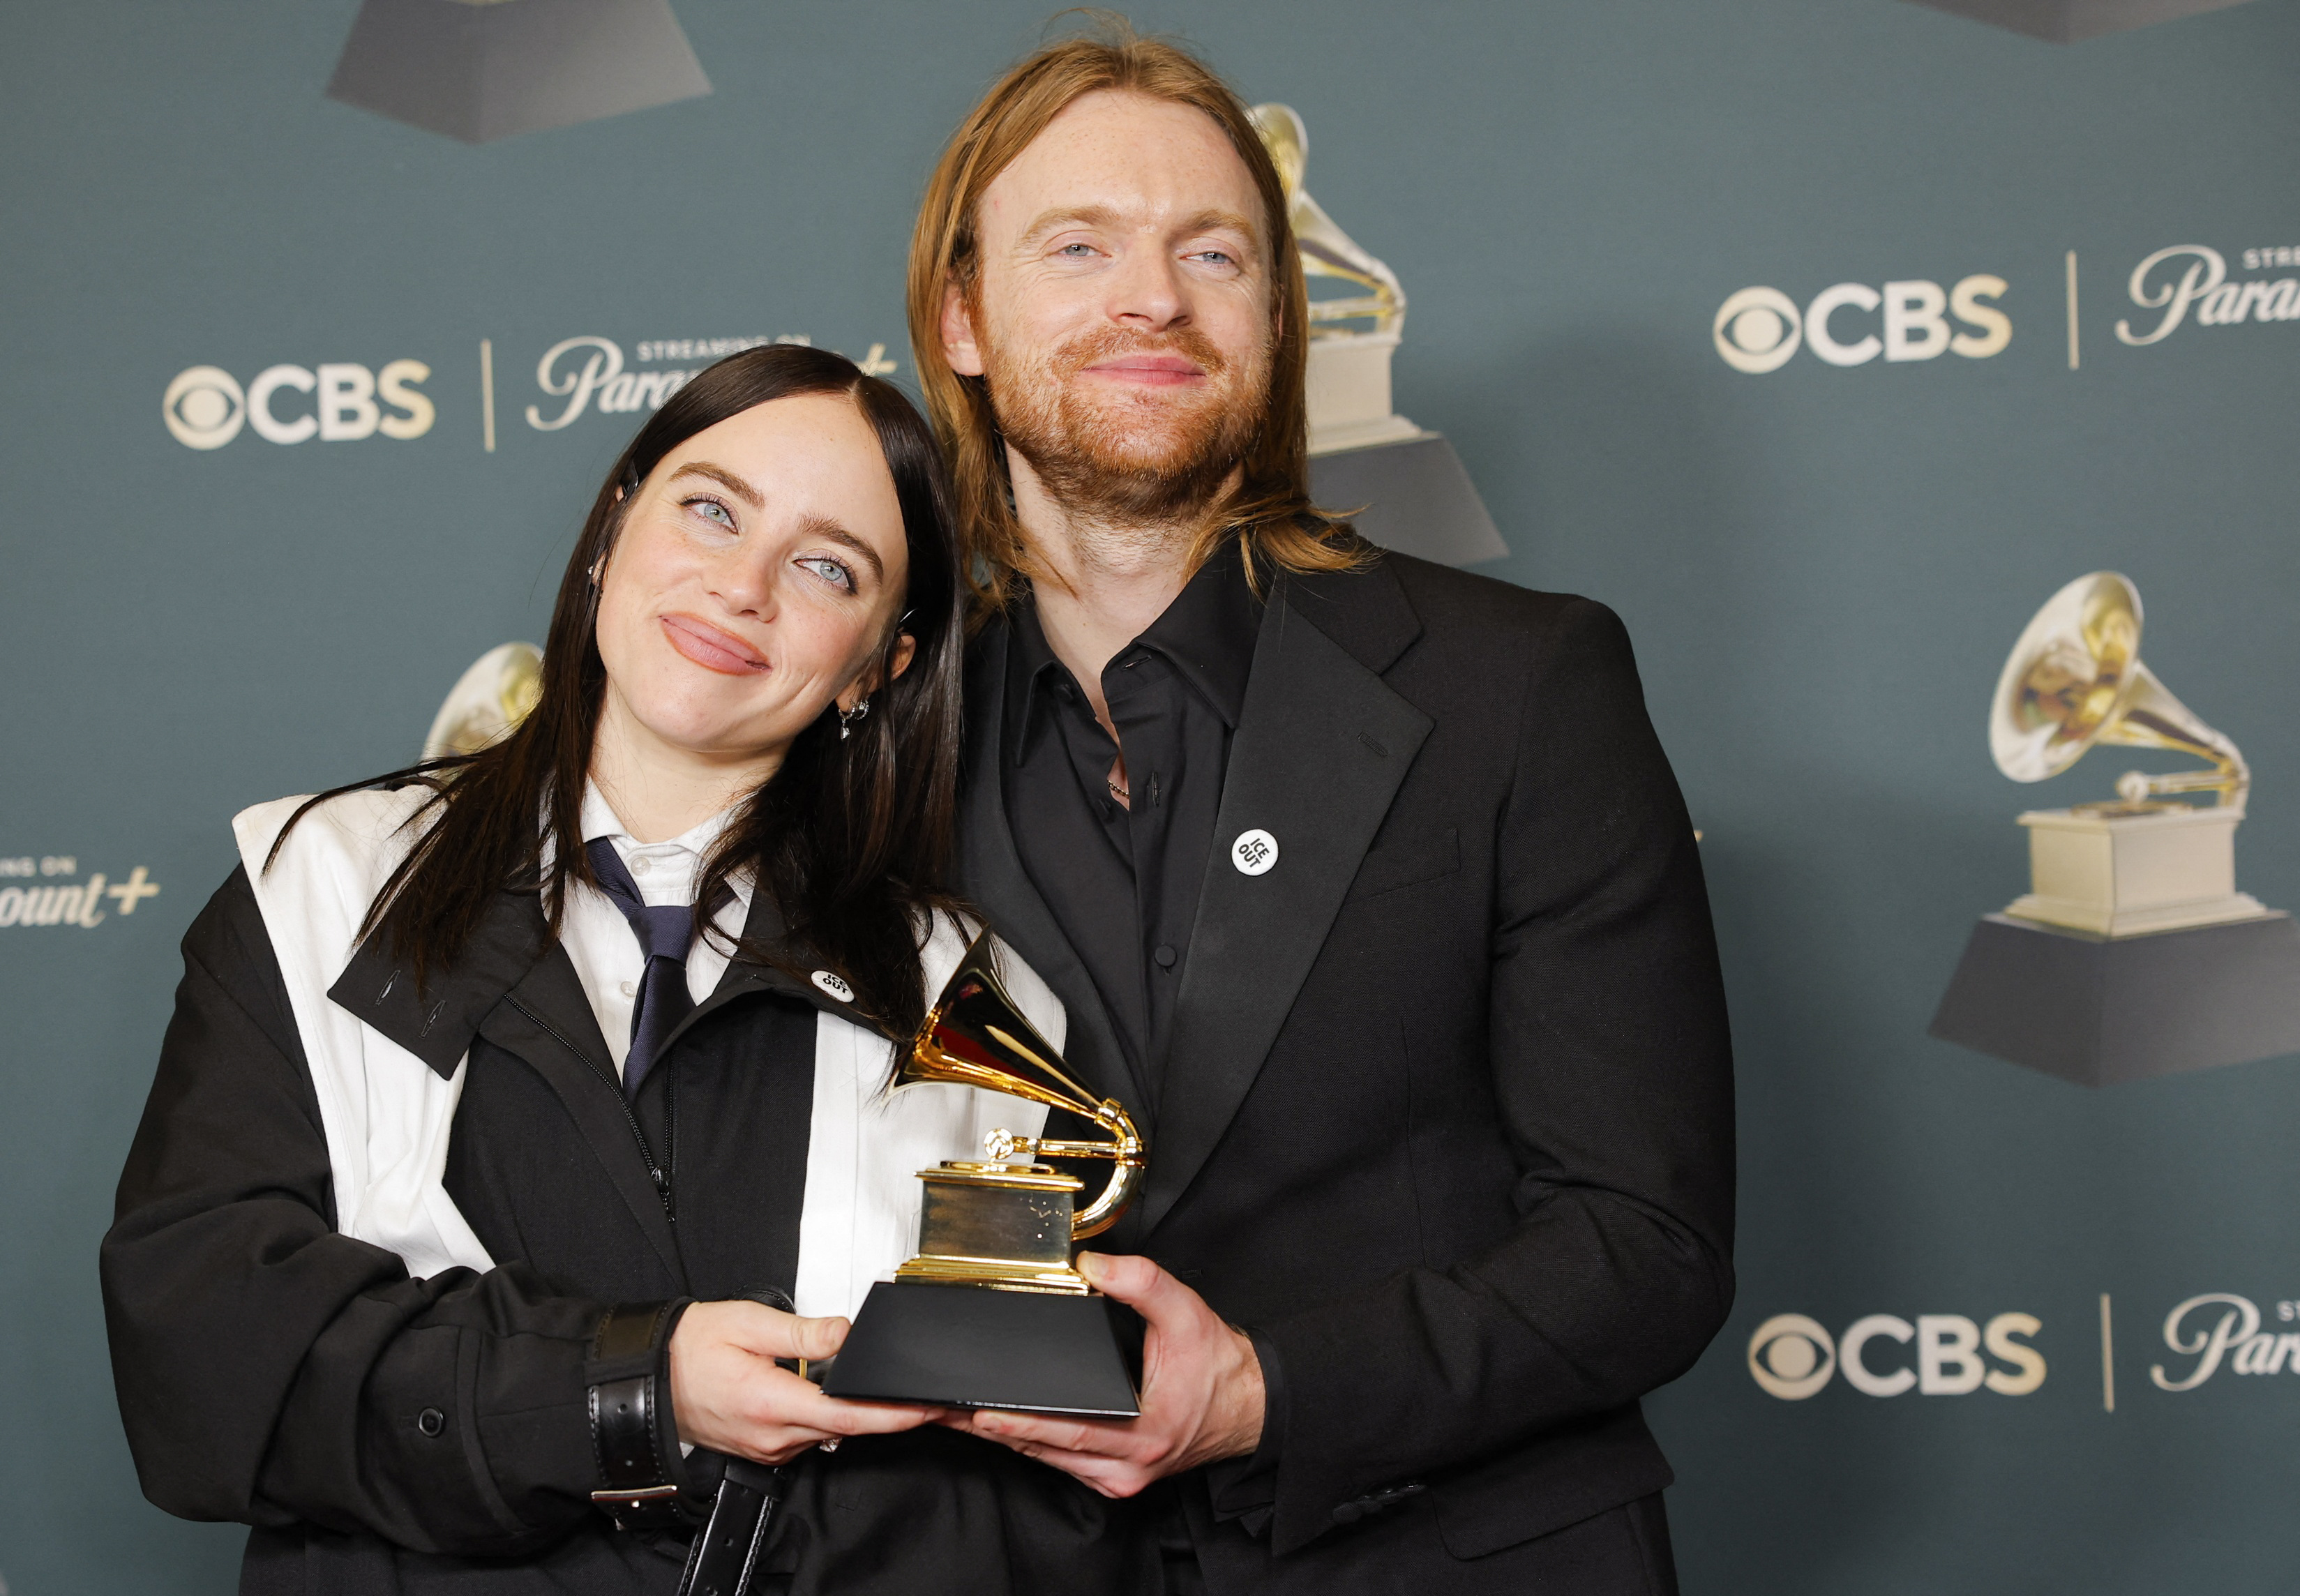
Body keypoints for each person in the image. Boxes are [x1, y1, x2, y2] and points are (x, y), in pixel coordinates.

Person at [101, 345, 1158, 1595]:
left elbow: (1016, 1493)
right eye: (710, 508)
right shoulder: (315, 885)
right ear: (612, 530)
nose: (740, 586)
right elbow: (207, 1353)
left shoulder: (970, 998)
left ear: (881, 664)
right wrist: (634, 1390)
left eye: (827, 567)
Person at [907, 26, 1737, 1594]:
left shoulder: (1523, 684)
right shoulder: (861, 730)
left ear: (1273, 318)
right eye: (1076, 245)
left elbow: (1645, 1244)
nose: (1150, 296)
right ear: (961, 316)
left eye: (1208, 250)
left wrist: (1265, 1393)